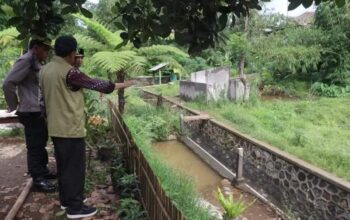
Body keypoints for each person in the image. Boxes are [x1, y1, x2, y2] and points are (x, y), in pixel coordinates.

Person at [39, 35, 135, 219]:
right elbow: (99, 85)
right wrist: (126, 84)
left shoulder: (45, 69)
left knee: (64, 167)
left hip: (55, 127)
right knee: (74, 169)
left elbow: (42, 100)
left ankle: (67, 201)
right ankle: (75, 209)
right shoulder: (70, 72)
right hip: (71, 128)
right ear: (72, 52)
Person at [2, 39, 56, 193]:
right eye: (45, 49)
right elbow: (8, 83)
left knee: (41, 140)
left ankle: (43, 171)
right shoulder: (25, 60)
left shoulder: (35, 60)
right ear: (36, 48)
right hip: (30, 110)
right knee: (34, 145)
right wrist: (14, 105)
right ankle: (38, 179)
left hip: (37, 110)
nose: (47, 53)